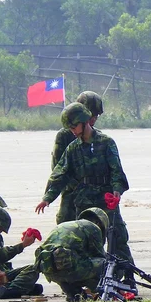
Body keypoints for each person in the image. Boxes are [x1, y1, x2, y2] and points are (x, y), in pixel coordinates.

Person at [36, 102, 133, 267]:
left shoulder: (106, 142)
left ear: (84, 121)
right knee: (86, 240)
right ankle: (93, 279)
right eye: (70, 128)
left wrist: (117, 190)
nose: (72, 131)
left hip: (106, 199)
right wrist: (47, 198)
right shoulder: (73, 148)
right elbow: (60, 174)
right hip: (84, 200)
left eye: (74, 126)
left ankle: (127, 276)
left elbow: (116, 169)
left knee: (118, 237)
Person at [48, 91, 105, 225]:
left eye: (96, 115)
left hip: (93, 195)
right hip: (71, 195)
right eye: (92, 114)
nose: (94, 118)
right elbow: (58, 167)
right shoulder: (64, 136)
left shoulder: (98, 137)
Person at [0, 195, 42, 299]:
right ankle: (10, 291)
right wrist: (22, 245)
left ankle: (11, 289)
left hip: (1, 273)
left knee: (33, 269)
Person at [34, 208, 109, 302]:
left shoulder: (65, 225)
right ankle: (103, 293)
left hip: (49, 271)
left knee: (66, 263)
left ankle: (74, 294)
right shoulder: (93, 227)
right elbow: (99, 256)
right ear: (99, 223)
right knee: (106, 264)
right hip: (69, 269)